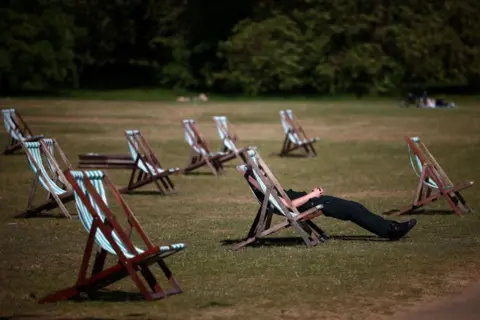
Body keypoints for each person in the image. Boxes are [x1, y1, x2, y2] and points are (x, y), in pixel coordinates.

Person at [279, 187, 417, 240]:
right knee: (352, 210)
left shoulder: (266, 187)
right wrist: (312, 195)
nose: (265, 172)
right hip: (313, 204)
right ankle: (392, 230)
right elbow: (289, 205)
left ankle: (390, 227)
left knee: (355, 207)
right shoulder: (265, 189)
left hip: (314, 202)